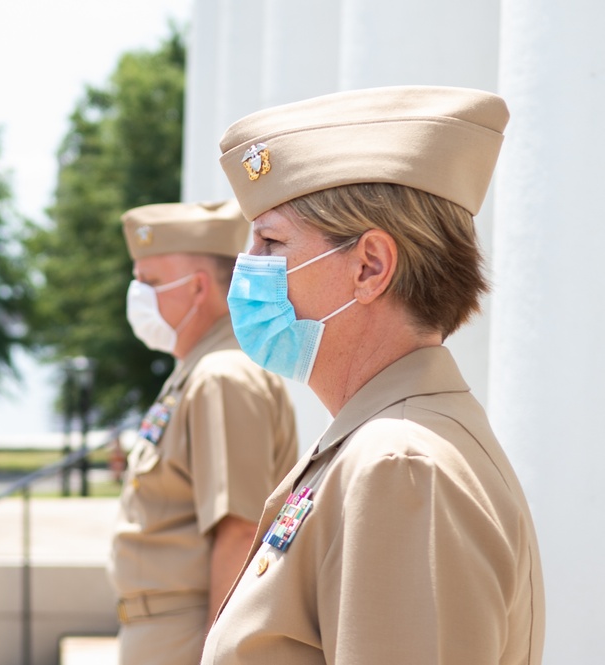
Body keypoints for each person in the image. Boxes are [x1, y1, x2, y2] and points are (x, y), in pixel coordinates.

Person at [201, 86, 545, 664]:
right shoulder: (381, 446)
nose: (247, 269)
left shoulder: (400, 467)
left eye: (271, 242)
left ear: (370, 267)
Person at [109, 200, 299, 665]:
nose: (138, 295)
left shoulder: (222, 377)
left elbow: (237, 532)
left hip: (186, 634)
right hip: (166, 629)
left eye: (151, 282)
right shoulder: (196, 373)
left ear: (197, 289)